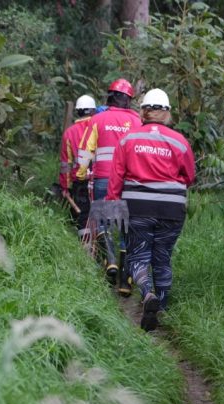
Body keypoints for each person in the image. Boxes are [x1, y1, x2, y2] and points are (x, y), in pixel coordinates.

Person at [105, 88, 196, 331]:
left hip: (137, 207)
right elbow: (189, 176)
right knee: (162, 257)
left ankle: (147, 295)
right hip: (172, 209)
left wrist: (113, 204)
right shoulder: (180, 142)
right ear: (166, 113)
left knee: (138, 255)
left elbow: (116, 177)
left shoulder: (128, 140)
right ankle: (161, 308)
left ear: (143, 112)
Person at [77, 79, 141, 292]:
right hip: (129, 181)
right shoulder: (137, 121)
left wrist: (80, 172)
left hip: (103, 179)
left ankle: (110, 260)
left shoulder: (98, 119)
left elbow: (86, 149)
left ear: (109, 96)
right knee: (125, 227)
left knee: (103, 222)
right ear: (129, 100)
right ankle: (125, 281)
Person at [59, 94, 97, 239]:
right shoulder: (97, 126)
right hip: (98, 179)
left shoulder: (69, 132)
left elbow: (65, 164)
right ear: (93, 111)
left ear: (78, 111)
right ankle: (102, 246)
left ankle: (86, 248)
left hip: (79, 182)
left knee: (82, 215)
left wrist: (65, 186)